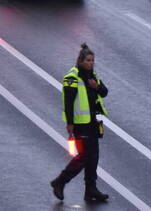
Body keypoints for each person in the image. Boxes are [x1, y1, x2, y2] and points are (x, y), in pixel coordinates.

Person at [50, 43, 110, 203]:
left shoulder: (92, 76)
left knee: (94, 156)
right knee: (84, 156)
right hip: (79, 124)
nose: (91, 63)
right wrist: (70, 123)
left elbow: (104, 92)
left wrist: (96, 86)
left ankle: (91, 189)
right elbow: (68, 102)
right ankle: (60, 181)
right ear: (80, 61)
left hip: (92, 122)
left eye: (92, 60)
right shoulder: (72, 77)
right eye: (88, 60)